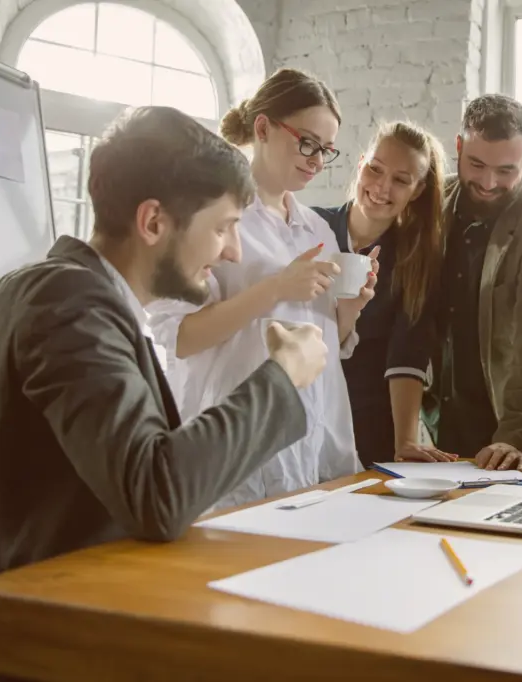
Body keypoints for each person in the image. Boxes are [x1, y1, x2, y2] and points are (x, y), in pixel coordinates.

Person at [0, 106, 327, 583]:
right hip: (31, 631)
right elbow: (157, 493)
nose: (234, 251)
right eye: (222, 227)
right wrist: (284, 375)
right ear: (154, 221)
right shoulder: (68, 302)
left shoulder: (64, 293)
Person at [147, 69, 372, 511]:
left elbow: (325, 340)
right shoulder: (212, 216)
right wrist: (274, 288)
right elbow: (180, 337)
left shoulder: (319, 229)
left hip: (314, 441)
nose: (316, 160)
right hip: (237, 445)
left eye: (326, 150)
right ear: (263, 127)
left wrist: (351, 309)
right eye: (307, 143)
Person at [423, 93, 522, 471]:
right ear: (458, 146)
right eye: (476, 164)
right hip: (426, 423)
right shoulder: (431, 201)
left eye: (506, 170)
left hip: (498, 422)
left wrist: (516, 437)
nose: (488, 182)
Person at [313, 121, 455, 467]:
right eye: (375, 169)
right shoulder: (312, 228)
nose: (381, 187)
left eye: (401, 180)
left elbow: (407, 354)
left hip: (370, 425)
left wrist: (405, 440)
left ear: (417, 190)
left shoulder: (415, 260)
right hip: (304, 412)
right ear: (361, 164)